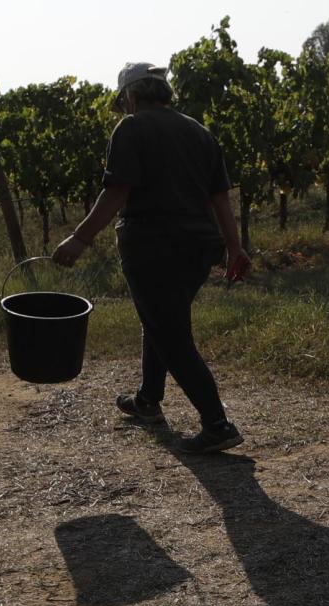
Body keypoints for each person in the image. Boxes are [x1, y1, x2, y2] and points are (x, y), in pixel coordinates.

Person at [52, 62, 251, 453]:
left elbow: (117, 192)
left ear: (131, 94)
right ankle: (148, 401)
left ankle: (218, 424)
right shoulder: (200, 131)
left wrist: (79, 239)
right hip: (198, 246)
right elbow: (220, 198)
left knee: (171, 334)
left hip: (153, 248)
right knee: (159, 319)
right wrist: (235, 246)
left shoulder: (132, 128)